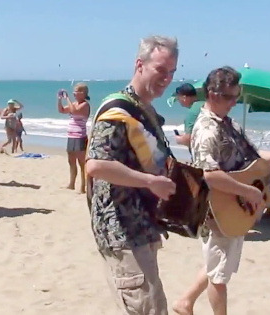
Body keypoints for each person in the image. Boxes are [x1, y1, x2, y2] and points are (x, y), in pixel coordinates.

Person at [172, 66, 270, 315]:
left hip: (235, 207)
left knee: (218, 264)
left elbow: (255, 159)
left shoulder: (228, 123)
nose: (235, 102)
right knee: (219, 276)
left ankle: (185, 302)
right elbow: (210, 174)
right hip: (217, 210)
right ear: (213, 94)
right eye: (230, 97)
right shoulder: (207, 130)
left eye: (237, 96)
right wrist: (247, 192)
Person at [85, 35, 179, 315]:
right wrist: (150, 182)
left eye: (172, 72)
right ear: (140, 64)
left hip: (143, 225)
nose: (167, 79)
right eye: (160, 70)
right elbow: (96, 165)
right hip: (122, 229)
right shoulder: (118, 111)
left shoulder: (144, 111)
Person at [57, 83, 90, 193]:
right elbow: (61, 110)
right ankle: (71, 183)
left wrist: (67, 98)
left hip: (80, 136)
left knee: (82, 163)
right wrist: (60, 99)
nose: (74, 93)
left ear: (83, 93)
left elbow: (74, 111)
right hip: (71, 136)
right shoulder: (74, 103)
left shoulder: (85, 105)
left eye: (76, 91)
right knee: (71, 161)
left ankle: (83, 186)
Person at [173, 83, 204, 151]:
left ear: (184, 98)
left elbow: (188, 139)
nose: (178, 100)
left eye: (178, 97)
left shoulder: (192, 112)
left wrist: (178, 139)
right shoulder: (205, 104)